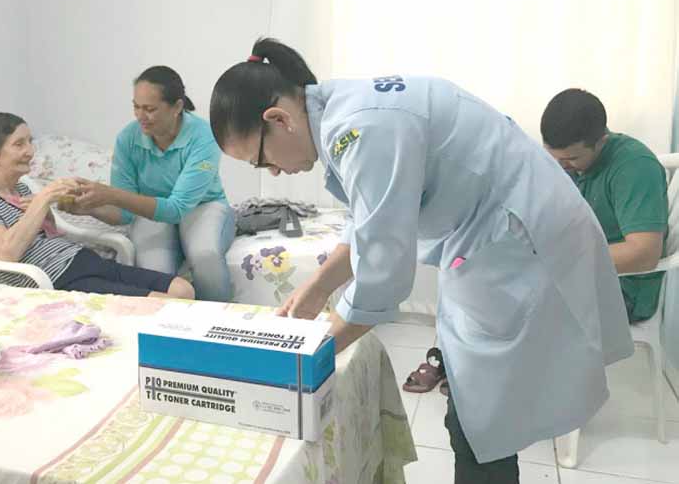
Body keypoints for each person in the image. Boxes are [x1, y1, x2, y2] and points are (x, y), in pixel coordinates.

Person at [209, 38, 633, 483]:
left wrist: (301, 362)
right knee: (475, 410)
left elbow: (383, 273)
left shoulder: (358, 129)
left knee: (480, 419)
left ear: (279, 120)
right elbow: (368, 221)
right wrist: (314, 289)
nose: (272, 172)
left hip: (521, 241)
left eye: (261, 159)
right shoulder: (340, 111)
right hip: (496, 235)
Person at [0, 112, 194, 300]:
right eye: (19, 144)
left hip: (82, 260)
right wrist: (43, 198)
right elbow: (7, 253)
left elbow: (47, 233)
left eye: (30, 141)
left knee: (183, 289)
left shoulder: (20, 188)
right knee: (168, 304)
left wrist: (53, 206)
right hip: (58, 279)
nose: (30, 151)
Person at [72, 66, 235, 302]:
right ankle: (169, 329)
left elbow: (176, 208)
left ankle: (219, 321)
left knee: (205, 254)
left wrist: (110, 194)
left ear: (177, 107)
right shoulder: (128, 138)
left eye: (149, 109)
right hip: (150, 213)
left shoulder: (204, 136)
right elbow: (126, 214)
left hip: (202, 206)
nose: (140, 116)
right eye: (136, 107)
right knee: (154, 272)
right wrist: (90, 207)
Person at [541, 88, 669, 322]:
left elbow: (644, 253)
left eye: (572, 159)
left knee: (522, 314)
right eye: (554, 157)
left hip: (624, 289)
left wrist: (563, 259)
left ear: (601, 142)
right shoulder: (568, 164)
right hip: (579, 273)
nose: (561, 166)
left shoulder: (634, 167)